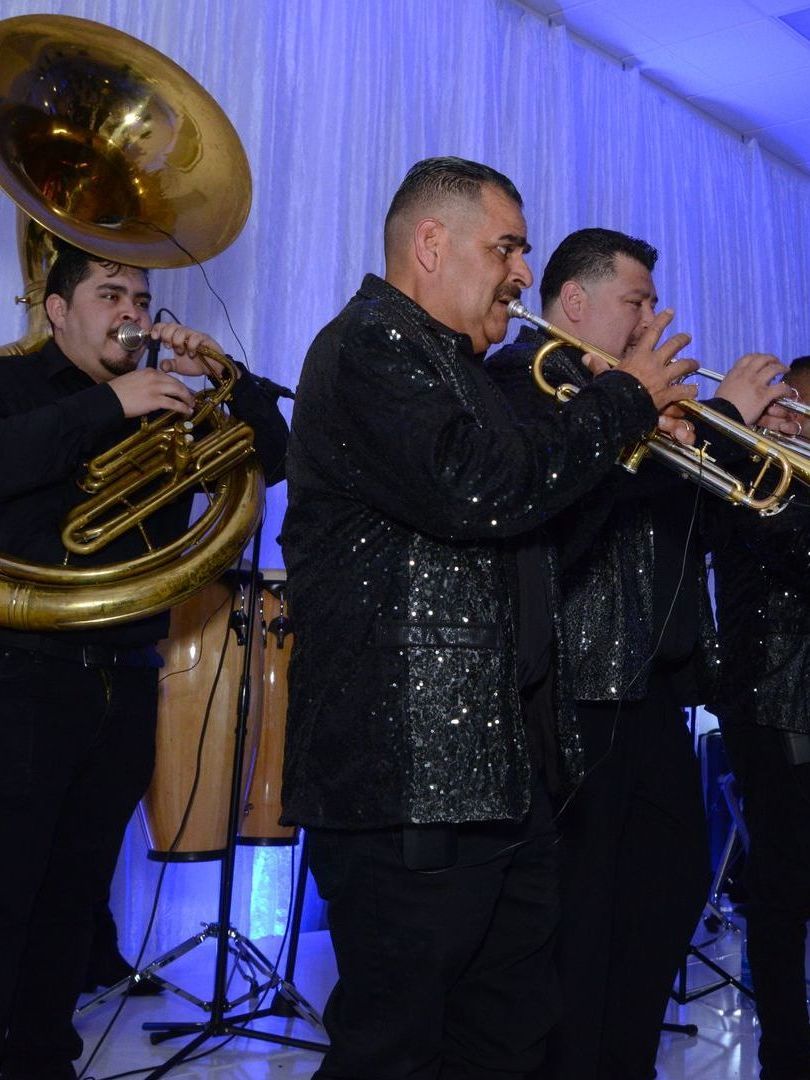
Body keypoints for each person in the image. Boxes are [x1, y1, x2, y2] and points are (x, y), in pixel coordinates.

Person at [279, 160, 704, 1079]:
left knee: (505, 1038)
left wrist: (625, 454)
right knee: (393, 1050)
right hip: (407, 781)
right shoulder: (368, 348)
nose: (522, 271)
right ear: (431, 245)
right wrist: (624, 401)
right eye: (505, 246)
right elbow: (478, 490)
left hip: (499, 778)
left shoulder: (460, 370)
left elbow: (536, 539)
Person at [486, 227, 789, 1080]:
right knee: (580, 925)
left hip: (652, 694)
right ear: (574, 304)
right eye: (637, 302)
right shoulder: (521, 383)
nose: (654, 318)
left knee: (667, 893)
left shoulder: (645, 407)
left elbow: (704, 523)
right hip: (571, 695)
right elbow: (564, 511)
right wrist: (718, 421)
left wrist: (726, 439)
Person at [0, 242, 288, 1080]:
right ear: (57, 310)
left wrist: (224, 373)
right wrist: (106, 407)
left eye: (141, 297)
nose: (132, 311)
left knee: (74, 898)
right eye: (110, 293)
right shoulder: (15, 388)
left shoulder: (171, 405)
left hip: (125, 681)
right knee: (8, 889)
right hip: (22, 676)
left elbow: (277, 456)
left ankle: (44, 1060)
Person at [711, 354, 810, 1080]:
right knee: (782, 887)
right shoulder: (746, 480)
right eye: (788, 407)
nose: (795, 422)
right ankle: (786, 1051)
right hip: (769, 707)